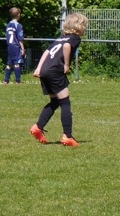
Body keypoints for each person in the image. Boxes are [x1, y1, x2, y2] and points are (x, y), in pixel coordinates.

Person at [29, 13, 89, 147]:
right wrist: (66, 65)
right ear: (78, 26)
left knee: (55, 101)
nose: (85, 28)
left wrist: (38, 68)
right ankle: (67, 136)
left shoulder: (60, 38)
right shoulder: (74, 38)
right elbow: (67, 47)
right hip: (55, 71)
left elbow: (46, 52)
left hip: (45, 70)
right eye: (85, 26)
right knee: (65, 103)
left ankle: (38, 127)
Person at [4, 7, 26, 84]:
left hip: (9, 46)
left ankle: (6, 80)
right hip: (16, 46)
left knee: (9, 64)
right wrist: (22, 48)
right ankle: (18, 81)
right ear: (18, 15)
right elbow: (20, 39)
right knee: (17, 63)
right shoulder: (18, 25)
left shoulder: (8, 25)